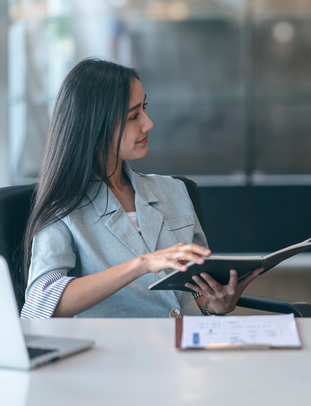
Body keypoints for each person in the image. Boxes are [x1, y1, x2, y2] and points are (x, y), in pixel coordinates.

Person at [21, 58, 262, 318]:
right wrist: (142, 264)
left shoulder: (174, 191)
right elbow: (41, 303)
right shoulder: (62, 209)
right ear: (94, 125)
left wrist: (214, 304)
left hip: (188, 348)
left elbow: (194, 291)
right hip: (119, 353)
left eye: (144, 109)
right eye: (134, 115)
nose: (148, 123)